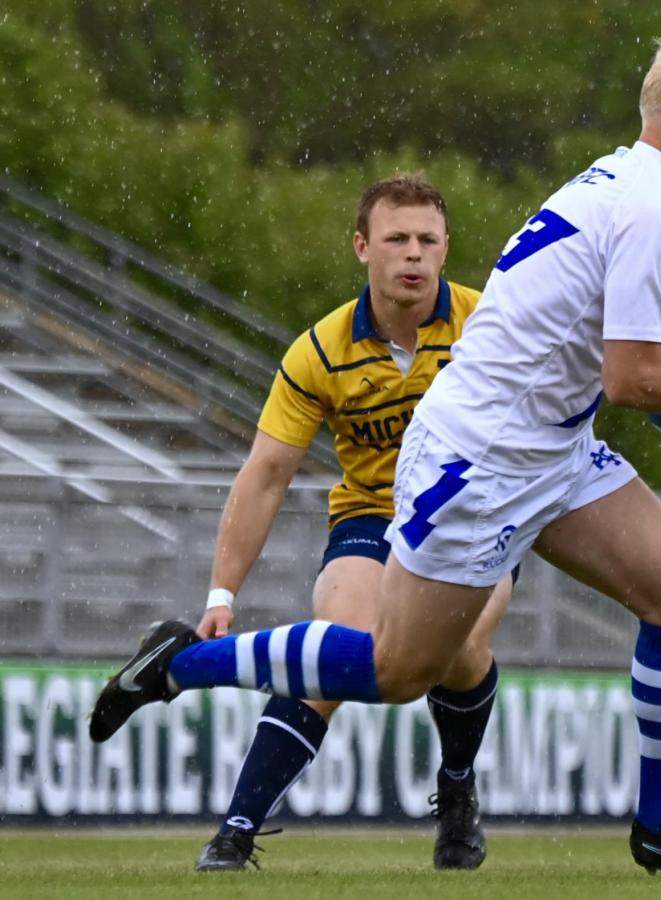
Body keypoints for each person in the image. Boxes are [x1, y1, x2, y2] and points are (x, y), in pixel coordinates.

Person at [89, 38, 661, 875]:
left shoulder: (618, 179)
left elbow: (611, 375)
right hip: (482, 460)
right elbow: (634, 379)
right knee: (396, 669)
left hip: (553, 445)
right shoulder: (652, 215)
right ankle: (179, 666)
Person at [187, 174, 513, 872]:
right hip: (371, 519)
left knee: (454, 654)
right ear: (362, 247)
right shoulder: (320, 350)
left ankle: (456, 790)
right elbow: (266, 474)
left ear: (447, 247)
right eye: (396, 239)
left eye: (428, 240)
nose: (414, 255)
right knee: (336, 653)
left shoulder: (491, 325)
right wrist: (221, 595)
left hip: (474, 523)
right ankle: (236, 832)